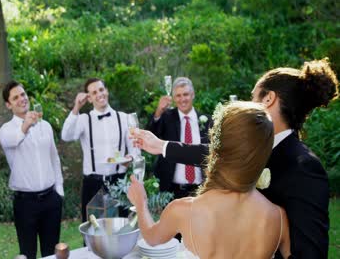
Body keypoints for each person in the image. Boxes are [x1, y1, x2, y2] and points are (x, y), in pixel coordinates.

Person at [132, 59, 338, 258]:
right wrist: (161, 146)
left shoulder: (304, 166)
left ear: (269, 99)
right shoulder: (253, 151)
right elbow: (221, 152)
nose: (249, 103)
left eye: (253, 96)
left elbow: (310, 254)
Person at [128, 101, 291, 259]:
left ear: (215, 146)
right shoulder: (278, 217)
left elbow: (151, 237)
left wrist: (140, 203)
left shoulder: (183, 210)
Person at [0, 81, 64, 259]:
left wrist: (59, 191)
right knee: (27, 254)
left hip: (51, 200)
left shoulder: (46, 126)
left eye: (23, 94)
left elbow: (54, 159)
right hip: (25, 203)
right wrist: (26, 125)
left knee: (51, 253)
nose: (22, 99)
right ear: (8, 104)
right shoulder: (6, 130)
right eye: (15, 97)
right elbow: (13, 140)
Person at [61, 78, 140, 222]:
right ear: (89, 98)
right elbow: (66, 136)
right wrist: (76, 108)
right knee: (93, 231)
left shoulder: (124, 118)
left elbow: (135, 149)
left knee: (120, 230)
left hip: (119, 182)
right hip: (93, 184)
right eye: (94, 92)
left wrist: (130, 159)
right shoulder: (84, 120)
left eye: (101, 90)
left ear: (107, 91)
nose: (99, 94)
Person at [146, 77, 211, 198]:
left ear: (193, 95)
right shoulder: (166, 118)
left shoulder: (207, 120)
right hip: (172, 190)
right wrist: (158, 111)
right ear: (174, 98)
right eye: (178, 96)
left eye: (185, 94)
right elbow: (150, 134)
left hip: (201, 191)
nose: (182, 99)